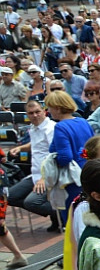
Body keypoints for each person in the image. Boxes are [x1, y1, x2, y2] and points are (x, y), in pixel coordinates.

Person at [6, 99, 60, 231]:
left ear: (44, 112)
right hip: (34, 174)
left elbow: (54, 155)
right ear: (27, 115)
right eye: (31, 113)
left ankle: (63, 213)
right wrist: (20, 149)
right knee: (10, 196)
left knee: (31, 202)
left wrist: (43, 177)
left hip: (49, 175)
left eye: (37, 112)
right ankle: (55, 213)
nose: (35, 115)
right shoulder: (33, 128)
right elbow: (36, 146)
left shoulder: (51, 128)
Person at [46, 90, 92, 218]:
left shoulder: (60, 127)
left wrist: (55, 163)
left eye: (50, 107)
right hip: (89, 170)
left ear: (58, 108)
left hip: (72, 179)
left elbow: (66, 157)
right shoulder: (83, 121)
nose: (48, 111)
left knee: (73, 217)